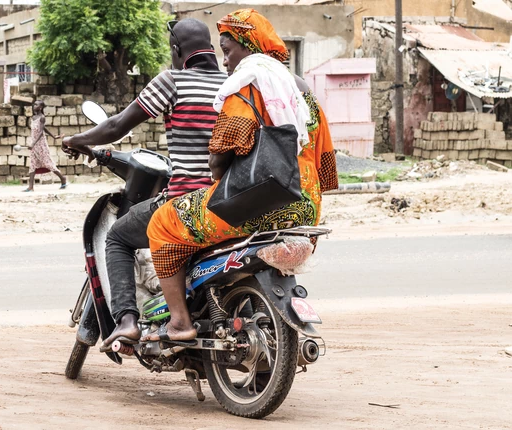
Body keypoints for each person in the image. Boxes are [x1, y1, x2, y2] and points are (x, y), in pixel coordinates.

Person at [143, 9, 338, 342]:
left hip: (251, 207)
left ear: (248, 45)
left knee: (161, 224)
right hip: (307, 210)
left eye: (227, 50)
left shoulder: (246, 88)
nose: (224, 62)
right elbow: (326, 171)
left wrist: (221, 173)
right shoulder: (304, 96)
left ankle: (178, 321)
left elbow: (218, 160)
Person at [63, 18, 228, 351]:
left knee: (118, 237)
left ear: (177, 51)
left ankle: (127, 321)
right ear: (211, 49)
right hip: (228, 200)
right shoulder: (231, 84)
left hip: (187, 201)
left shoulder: (173, 81)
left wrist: (76, 139)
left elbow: (116, 126)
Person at [25, 99, 67, 192]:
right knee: (32, 164)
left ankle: (63, 178)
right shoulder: (33, 117)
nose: (34, 106)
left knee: (48, 163)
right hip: (34, 144)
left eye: (36, 105)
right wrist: (54, 136)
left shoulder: (42, 117)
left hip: (41, 145)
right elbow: (44, 128)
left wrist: (33, 144)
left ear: (40, 107)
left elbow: (40, 133)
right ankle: (30, 187)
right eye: (34, 104)